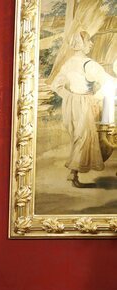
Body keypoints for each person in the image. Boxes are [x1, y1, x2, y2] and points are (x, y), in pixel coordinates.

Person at [50, 30, 117, 187]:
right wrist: (97, 97)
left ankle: (74, 173)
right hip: (85, 102)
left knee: (78, 136)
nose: (91, 44)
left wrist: (68, 96)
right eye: (88, 41)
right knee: (83, 137)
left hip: (71, 103)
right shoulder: (90, 64)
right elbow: (110, 82)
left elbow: (56, 85)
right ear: (81, 45)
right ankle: (73, 172)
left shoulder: (68, 64)